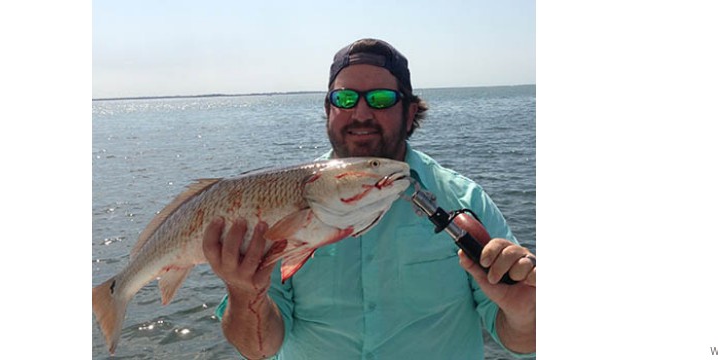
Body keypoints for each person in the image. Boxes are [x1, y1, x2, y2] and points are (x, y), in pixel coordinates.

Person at [201, 38, 536, 359]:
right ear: (328, 110)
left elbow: (523, 339)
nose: (360, 112)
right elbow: (259, 348)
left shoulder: (466, 201)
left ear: (409, 113)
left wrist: (525, 313)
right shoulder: (275, 204)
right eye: (344, 99)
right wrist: (245, 293)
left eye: (381, 98)